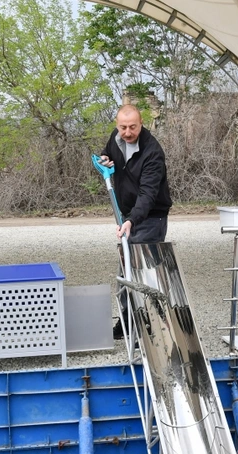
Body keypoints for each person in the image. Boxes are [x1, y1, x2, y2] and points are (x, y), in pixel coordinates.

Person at [98, 104, 172, 340]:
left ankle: (152, 325)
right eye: (123, 127)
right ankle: (128, 320)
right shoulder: (115, 138)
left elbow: (148, 194)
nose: (127, 132)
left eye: (132, 127)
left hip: (150, 216)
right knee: (126, 267)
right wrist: (105, 159)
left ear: (141, 124)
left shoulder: (152, 152)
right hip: (128, 214)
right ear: (117, 125)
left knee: (143, 271)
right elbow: (108, 153)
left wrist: (131, 220)